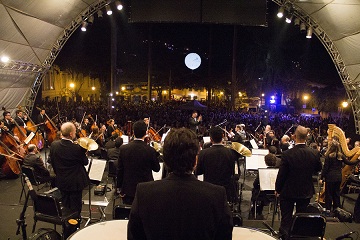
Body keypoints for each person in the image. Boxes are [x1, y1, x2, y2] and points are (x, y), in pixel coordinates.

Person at [128, 128, 233, 240]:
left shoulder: (143, 192)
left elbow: (134, 236)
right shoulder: (217, 195)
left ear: (166, 160)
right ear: (195, 161)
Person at [275, 125, 322, 239]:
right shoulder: (314, 153)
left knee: (286, 219)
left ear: (294, 136)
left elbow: (282, 174)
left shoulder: (287, 154)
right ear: (306, 137)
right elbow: (318, 168)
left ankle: (285, 237)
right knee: (301, 218)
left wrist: (278, 189)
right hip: (305, 190)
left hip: (288, 191)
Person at [50, 122, 89, 217]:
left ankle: (66, 226)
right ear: (71, 134)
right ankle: (74, 227)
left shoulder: (54, 145)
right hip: (75, 183)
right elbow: (85, 162)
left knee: (65, 205)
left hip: (61, 181)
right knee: (75, 208)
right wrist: (84, 154)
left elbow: (53, 163)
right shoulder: (77, 148)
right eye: (75, 132)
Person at [117, 120, 160, 205]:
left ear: (133, 132)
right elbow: (156, 169)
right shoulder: (150, 150)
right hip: (146, 189)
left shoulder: (123, 149)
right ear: (146, 133)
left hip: (128, 189)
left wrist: (119, 188)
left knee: (128, 215)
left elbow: (120, 170)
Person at [195, 126, 238, 202]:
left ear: (211, 139)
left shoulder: (203, 153)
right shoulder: (231, 153)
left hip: (208, 190)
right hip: (225, 190)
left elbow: (198, 172)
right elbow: (233, 173)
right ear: (222, 137)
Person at [320, 140, 359, 213]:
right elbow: (349, 163)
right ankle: (336, 209)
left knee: (329, 194)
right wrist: (358, 160)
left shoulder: (328, 156)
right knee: (336, 193)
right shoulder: (341, 156)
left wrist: (322, 178)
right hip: (338, 177)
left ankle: (328, 210)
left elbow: (325, 168)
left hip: (330, 177)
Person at [250, 153, 278, 219]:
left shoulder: (262, 172)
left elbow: (255, 184)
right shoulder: (278, 172)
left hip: (262, 195)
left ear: (265, 162)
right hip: (275, 195)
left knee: (255, 191)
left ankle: (256, 210)